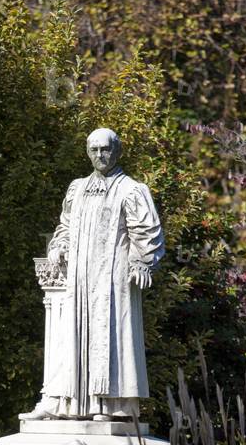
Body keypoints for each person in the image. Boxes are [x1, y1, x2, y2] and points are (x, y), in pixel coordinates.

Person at [21, 127, 164, 420]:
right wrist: (59, 246)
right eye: (94, 150)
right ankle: (63, 402)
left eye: (105, 149)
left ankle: (111, 406)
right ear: (88, 152)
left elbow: (149, 232)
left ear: (117, 151)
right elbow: (65, 225)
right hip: (79, 278)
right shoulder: (77, 188)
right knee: (70, 335)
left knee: (112, 334)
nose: (100, 155)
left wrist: (141, 262)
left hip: (113, 278)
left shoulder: (132, 190)